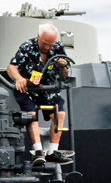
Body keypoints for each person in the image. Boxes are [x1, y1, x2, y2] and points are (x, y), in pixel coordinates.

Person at [7, 24, 74, 165]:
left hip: (47, 88)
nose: (48, 48)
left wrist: (62, 66)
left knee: (59, 114)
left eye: (51, 45)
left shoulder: (58, 47)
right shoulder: (27, 47)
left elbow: (65, 74)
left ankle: (52, 152)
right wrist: (19, 79)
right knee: (31, 115)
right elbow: (11, 66)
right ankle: (38, 151)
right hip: (29, 88)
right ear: (38, 37)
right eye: (45, 44)